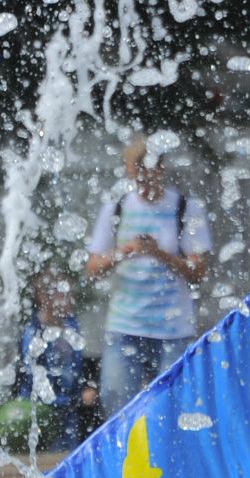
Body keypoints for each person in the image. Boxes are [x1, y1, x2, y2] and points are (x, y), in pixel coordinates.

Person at [86, 136, 212, 419]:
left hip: (173, 330)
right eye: (136, 169)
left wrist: (160, 254)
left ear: (161, 168)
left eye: (149, 168)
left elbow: (198, 272)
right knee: (118, 406)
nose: (144, 176)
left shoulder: (185, 208)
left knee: (173, 411)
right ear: (128, 171)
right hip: (125, 325)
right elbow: (93, 269)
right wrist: (126, 250)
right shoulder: (116, 208)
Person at [16, 268, 98, 450]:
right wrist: (76, 399)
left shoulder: (71, 325)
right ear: (44, 297)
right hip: (39, 413)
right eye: (64, 295)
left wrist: (86, 387)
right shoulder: (33, 334)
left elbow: (77, 368)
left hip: (68, 412)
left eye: (70, 295)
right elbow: (34, 382)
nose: (70, 300)